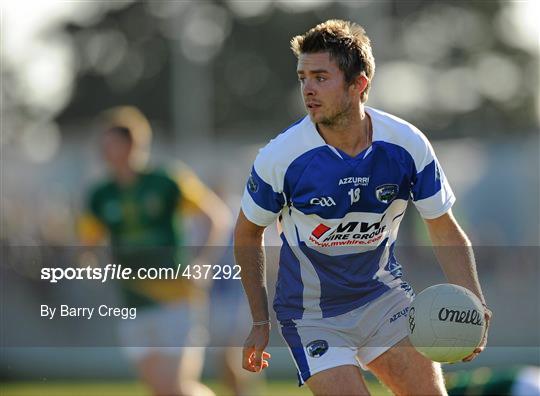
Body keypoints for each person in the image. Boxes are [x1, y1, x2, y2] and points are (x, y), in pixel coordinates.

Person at [234, 20, 492, 395]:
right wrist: (260, 321)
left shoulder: (406, 145)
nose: (308, 88)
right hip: (312, 317)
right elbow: (247, 232)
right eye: (303, 77)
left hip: (383, 300)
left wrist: (474, 303)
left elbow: (443, 227)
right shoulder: (282, 157)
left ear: (359, 84)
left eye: (321, 77)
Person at [79, 106, 232, 396]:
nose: (104, 150)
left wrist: (202, 263)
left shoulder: (166, 180)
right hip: (133, 301)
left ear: (132, 144)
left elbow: (216, 217)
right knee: (160, 390)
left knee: (175, 388)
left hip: (177, 298)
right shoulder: (100, 195)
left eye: (110, 142)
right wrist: (90, 265)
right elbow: (87, 246)